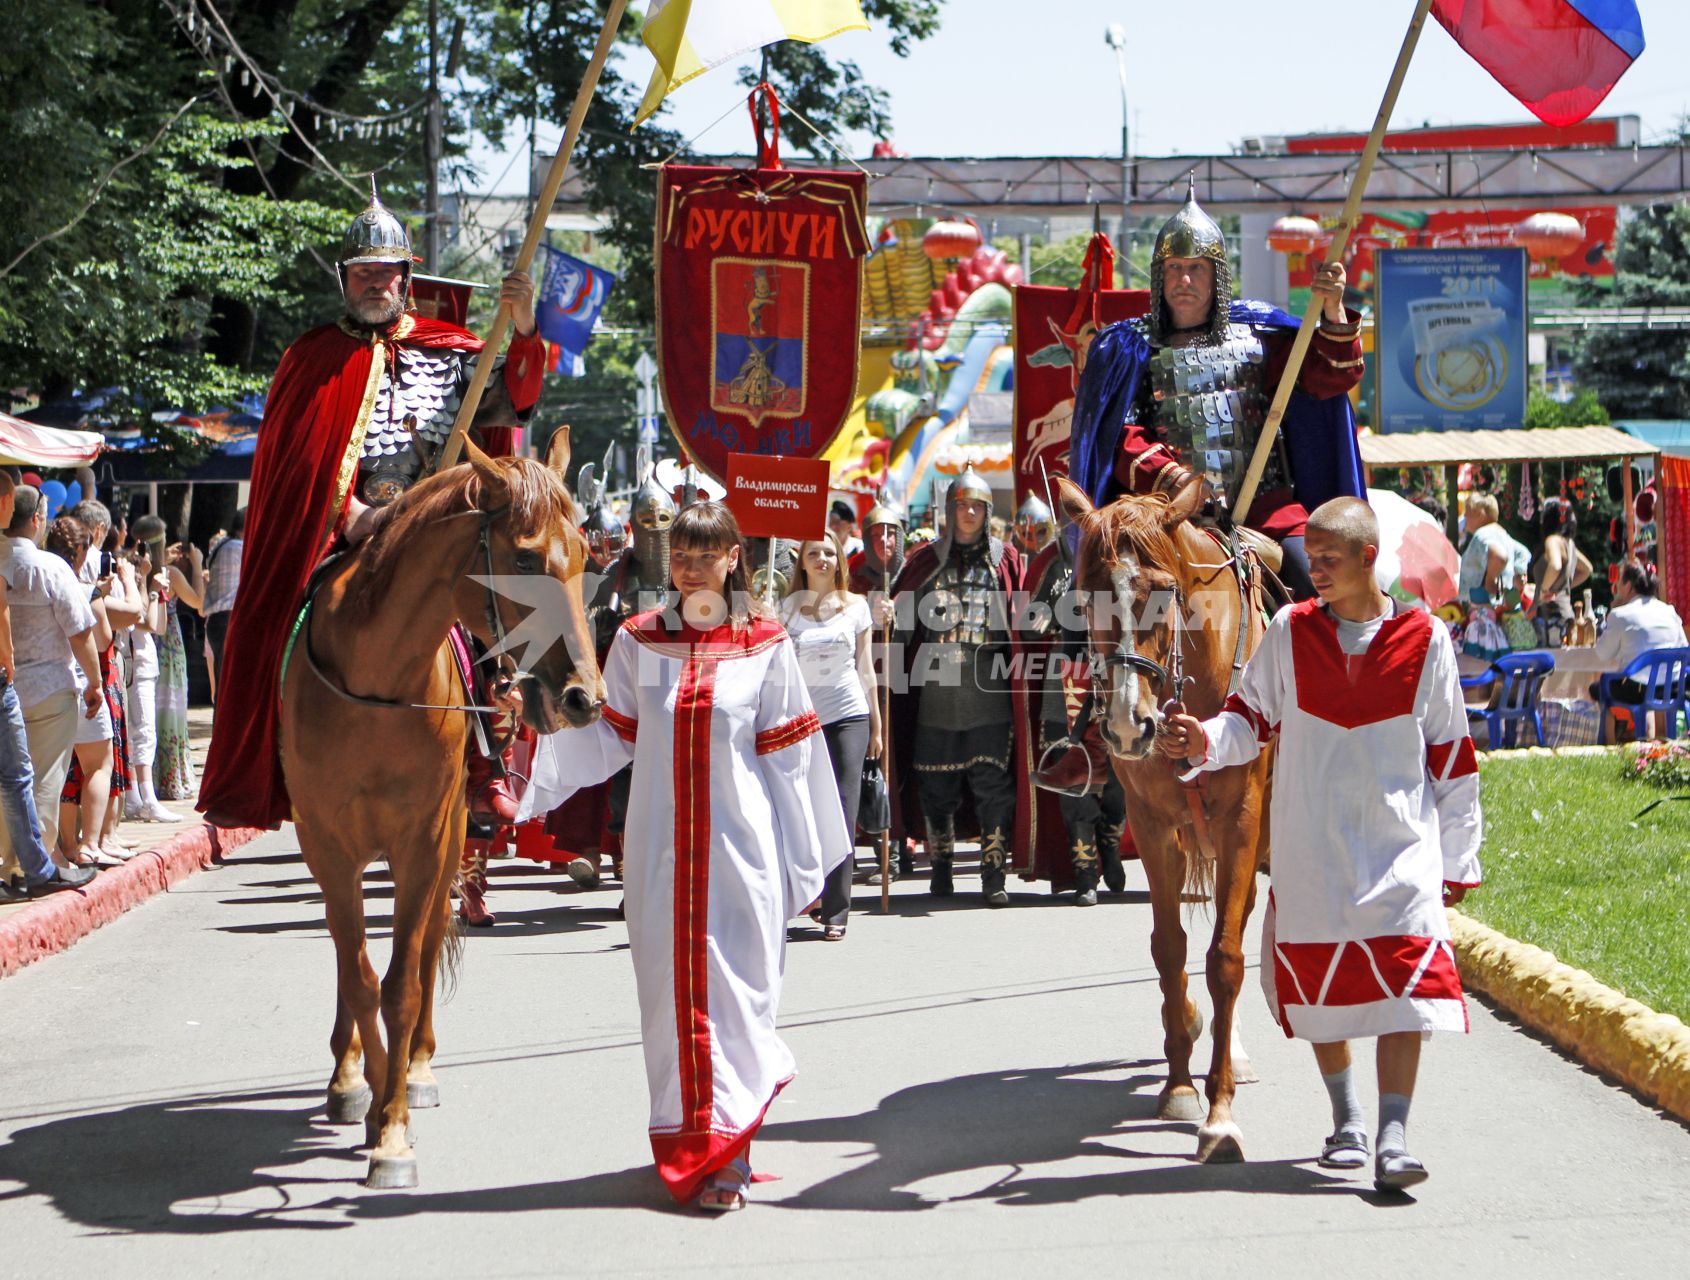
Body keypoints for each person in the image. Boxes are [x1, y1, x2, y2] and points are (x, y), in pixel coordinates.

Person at [516, 501, 850, 1211]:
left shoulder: (765, 644)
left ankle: (729, 1151)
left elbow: (791, 760)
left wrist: (805, 862)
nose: (692, 566)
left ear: (735, 559)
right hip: (660, 857)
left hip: (743, 854)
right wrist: (539, 741)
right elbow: (607, 737)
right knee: (669, 1002)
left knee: (739, 997)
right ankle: (687, 1141)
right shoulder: (637, 640)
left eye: (707, 554)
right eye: (683, 554)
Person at [197, 184, 546, 829]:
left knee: (488, 607)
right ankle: (276, 748)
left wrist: (523, 328)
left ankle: (485, 757)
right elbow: (299, 470)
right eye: (362, 273)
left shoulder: (453, 354)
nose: (374, 284)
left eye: (385, 273)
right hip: (344, 532)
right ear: (345, 279)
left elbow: (513, 402)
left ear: (406, 277)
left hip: (436, 530)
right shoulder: (310, 358)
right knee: (283, 620)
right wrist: (350, 515)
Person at [1159, 496, 1482, 1192]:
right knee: (1320, 990)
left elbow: (1453, 757)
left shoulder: (1429, 640)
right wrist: (1204, 740)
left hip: (1401, 852)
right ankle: (1347, 1121)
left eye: (1329, 559)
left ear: (1370, 558)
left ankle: (1395, 1137)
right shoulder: (1289, 629)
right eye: (1312, 558)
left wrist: (1458, 860)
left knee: (1407, 989)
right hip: (1310, 849)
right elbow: (1247, 718)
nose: (1316, 571)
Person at [1068, 178, 1366, 599]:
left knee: (1318, 579)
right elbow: (1119, 437)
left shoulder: (1260, 337)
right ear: (1159, 276)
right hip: (1169, 515)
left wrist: (1333, 309)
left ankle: (1332, 661)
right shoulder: (1131, 349)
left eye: (1196, 268)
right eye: (1174, 268)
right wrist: (1176, 481)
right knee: (1092, 592)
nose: (1184, 279)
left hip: (1266, 507)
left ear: (1217, 277)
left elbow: (1327, 378)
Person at [887, 467, 1024, 906]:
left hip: (988, 680)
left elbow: (1023, 618)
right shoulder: (924, 560)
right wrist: (892, 626)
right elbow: (903, 625)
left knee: (993, 783)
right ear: (950, 510)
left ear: (987, 511)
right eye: (962, 504)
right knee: (936, 784)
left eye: (977, 505)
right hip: (937, 681)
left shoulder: (1006, 559)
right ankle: (941, 870)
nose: (969, 512)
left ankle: (993, 874)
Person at [1014, 518, 1127, 905]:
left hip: (1113, 680)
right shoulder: (1053, 565)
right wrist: (1045, 615)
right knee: (1075, 782)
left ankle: (1109, 844)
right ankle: (1085, 873)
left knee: (1118, 778)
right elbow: (1029, 628)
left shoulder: (1119, 562)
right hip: (1066, 684)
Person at [0, 486, 104, 883]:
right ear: (37, 520)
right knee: (43, 779)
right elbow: (79, 633)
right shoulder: (50, 567)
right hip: (48, 689)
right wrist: (94, 682)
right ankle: (35, 865)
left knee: (8, 779)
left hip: (7, 686)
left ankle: (8, 862)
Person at [780, 532, 879, 940]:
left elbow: (866, 668)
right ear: (801, 561)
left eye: (829, 553)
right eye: (813, 553)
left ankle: (838, 909)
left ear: (840, 561)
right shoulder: (784, 609)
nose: (821, 559)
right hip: (801, 720)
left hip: (849, 716)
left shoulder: (857, 608)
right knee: (802, 808)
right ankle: (808, 895)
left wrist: (876, 724)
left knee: (842, 807)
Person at [45, 517, 143, 867]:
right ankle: (91, 843)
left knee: (53, 773)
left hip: (39, 686)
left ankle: (61, 848)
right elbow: (99, 640)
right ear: (81, 552)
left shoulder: (35, 581)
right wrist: (96, 684)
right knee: (98, 766)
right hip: (81, 686)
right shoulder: (84, 590)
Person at [131, 517, 202, 802]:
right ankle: (173, 778)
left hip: (141, 645)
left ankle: (146, 779)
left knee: (145, 714)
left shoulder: (133, 568)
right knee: (171, 710)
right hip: (169, 644)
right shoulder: (169, 574)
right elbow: (199, 602)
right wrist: (196, 564)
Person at [1591, 562, 1688, 713]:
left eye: (1619, 585)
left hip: (1638, 691)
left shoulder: (1620, 614)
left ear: (1629, 585)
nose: (1618, 590)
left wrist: (1613, 612)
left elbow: (1602, 654)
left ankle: (1608, 736)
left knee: (1597, 688)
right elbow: (1684, 649)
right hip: (1673, 688)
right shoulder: (1669, 611)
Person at [1456, 493, 1528, 663]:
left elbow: (1499, 557)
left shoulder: (1483, 535)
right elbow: (1523, 554)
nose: (1464, 517)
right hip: (1502, 617)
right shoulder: (1504, 535)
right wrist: (1515, 588)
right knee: (1500, 675)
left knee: (1479, 675)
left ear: (1480, 513)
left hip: (1481, 619)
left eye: (1467, 513)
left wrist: (1490, 581)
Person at [1524, 497, 1591, 647]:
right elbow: (1587, 570)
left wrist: (1544, 590)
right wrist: (1563, 587)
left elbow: (1555, 565)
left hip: (1551, 616)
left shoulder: (1553, 541)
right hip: (1567, 614)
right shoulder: (1569, 544)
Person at [201, 506, 245, 704]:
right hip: (229, 620)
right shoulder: (239, 548)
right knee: (230, 686)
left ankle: (220, 729)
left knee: (223, 683)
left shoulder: (222, 546)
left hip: (217, 622)